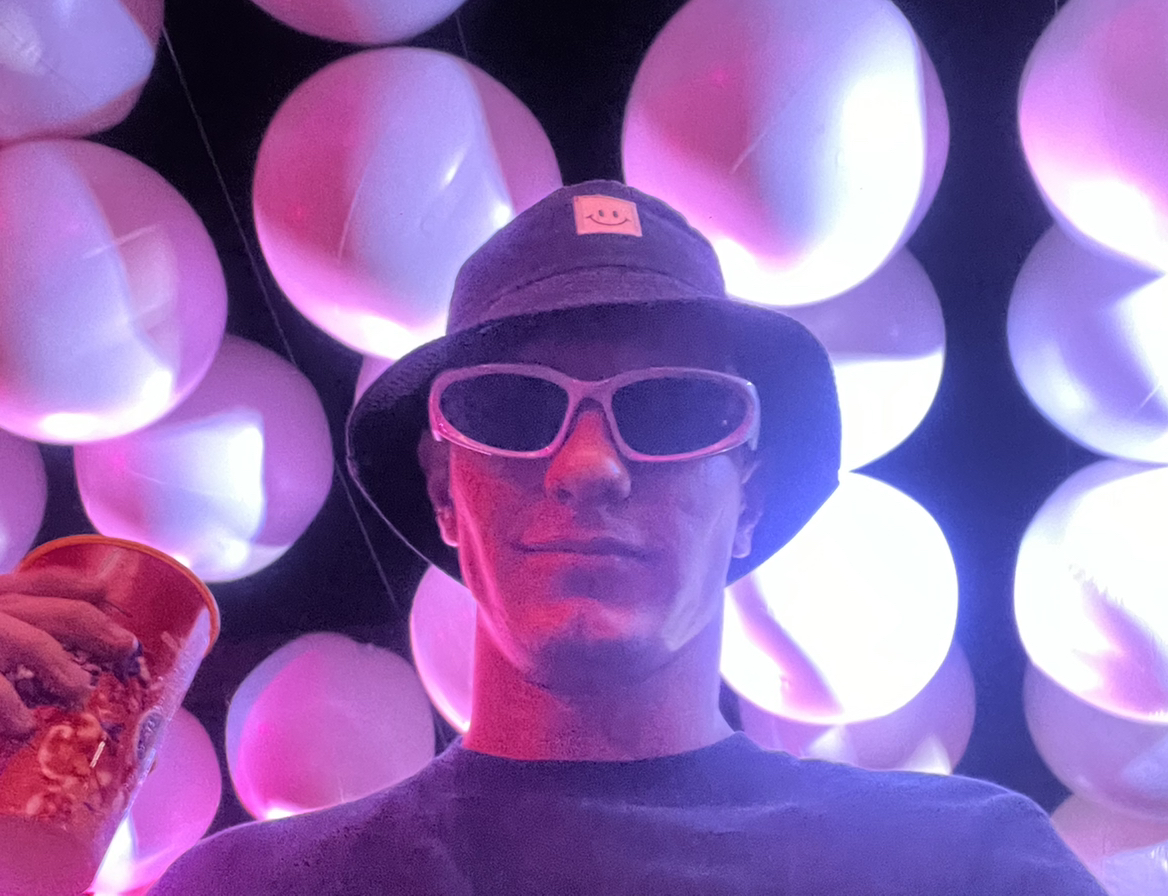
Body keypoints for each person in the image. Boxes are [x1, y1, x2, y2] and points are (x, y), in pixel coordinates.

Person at [2, 181, 1105, 894]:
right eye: (512, 408)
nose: (587, 466)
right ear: (446, 492)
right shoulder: (250, 889)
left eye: (672, 408)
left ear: (750, 499)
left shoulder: (967, 866)